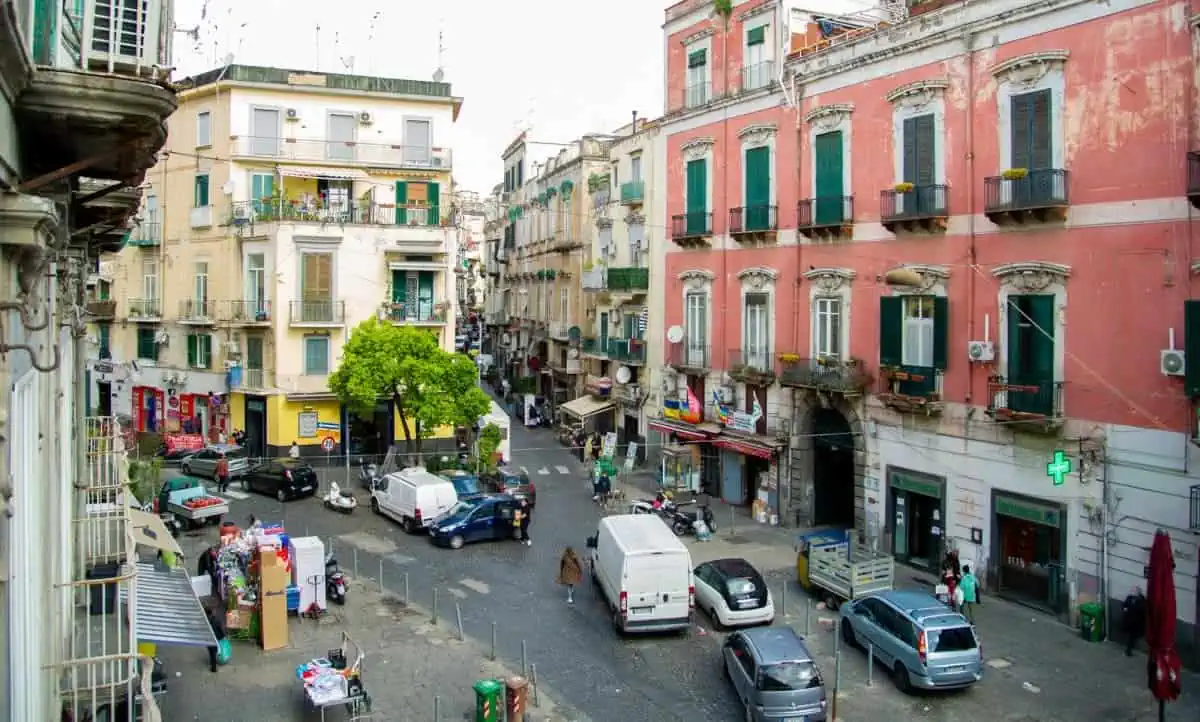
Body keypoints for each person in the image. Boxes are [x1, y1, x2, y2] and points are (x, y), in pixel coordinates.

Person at [1122, 586, 1147, 656]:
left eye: (1134, 591)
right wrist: (1125, 608)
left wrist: (1128, 609)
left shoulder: (1142, 601)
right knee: (1132, 637)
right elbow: (1124, 605)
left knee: (1132, 637)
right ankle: (1128, 650)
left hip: (1137, 622)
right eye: (1132, 591)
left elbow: (1141, 611)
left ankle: (1128, 650)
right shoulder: (1130, 598)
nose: (1132, 592)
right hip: (1131, 622)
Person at [203, 602, 226, 673]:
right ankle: (214, 668)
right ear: (212, 612)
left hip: (208, 638)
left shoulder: (205, 620)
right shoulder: (216, 620)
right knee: (214, 653)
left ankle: (212, 662)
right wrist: (223, 637)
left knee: (210, 651)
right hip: (215, 638)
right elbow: (220, 630)